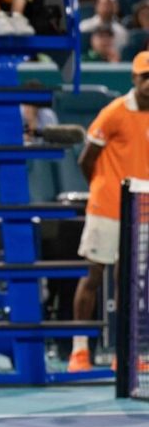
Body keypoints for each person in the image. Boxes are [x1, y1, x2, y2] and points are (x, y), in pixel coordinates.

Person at [68, 51, 149, 372]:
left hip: (141, 212)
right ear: (134, 79)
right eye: (145, 77)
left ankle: (126, 354)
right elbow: (86, 160)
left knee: (131, 283)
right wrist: (104, 188)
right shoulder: (114, 113)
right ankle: (79, 351)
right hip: (107, 208)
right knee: (93, 275)